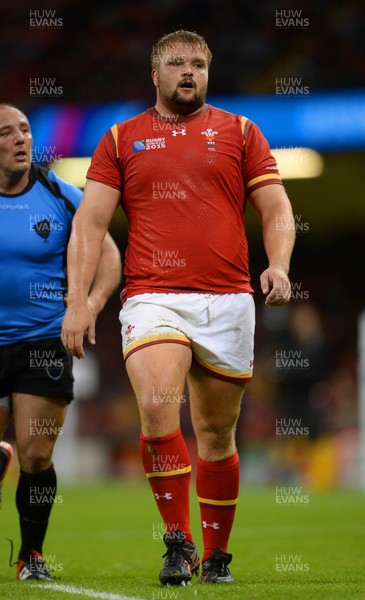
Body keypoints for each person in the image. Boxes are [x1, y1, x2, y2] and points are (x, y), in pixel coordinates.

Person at [62, 30, 295, 586]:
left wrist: (279, 263)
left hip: (228, 299)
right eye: (176, 63)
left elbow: (277, 207)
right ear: (155, 75)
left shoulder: (240, 132)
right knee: (158, 408)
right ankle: (178, 544)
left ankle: (216, 556)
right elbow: (89, 225)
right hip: (152, 296)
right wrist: (77, 301)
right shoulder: (121, 138)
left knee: (217, 434)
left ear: (208, 73)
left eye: (198, 64)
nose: (188, 71)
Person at [0, 103, 121, 580]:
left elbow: (110, 258)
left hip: (42, 340)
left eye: (25, 131)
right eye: (6, 133)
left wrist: (86, 306)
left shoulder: (61, 194)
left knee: (36, 454)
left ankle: (32, 556)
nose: (20, 139)